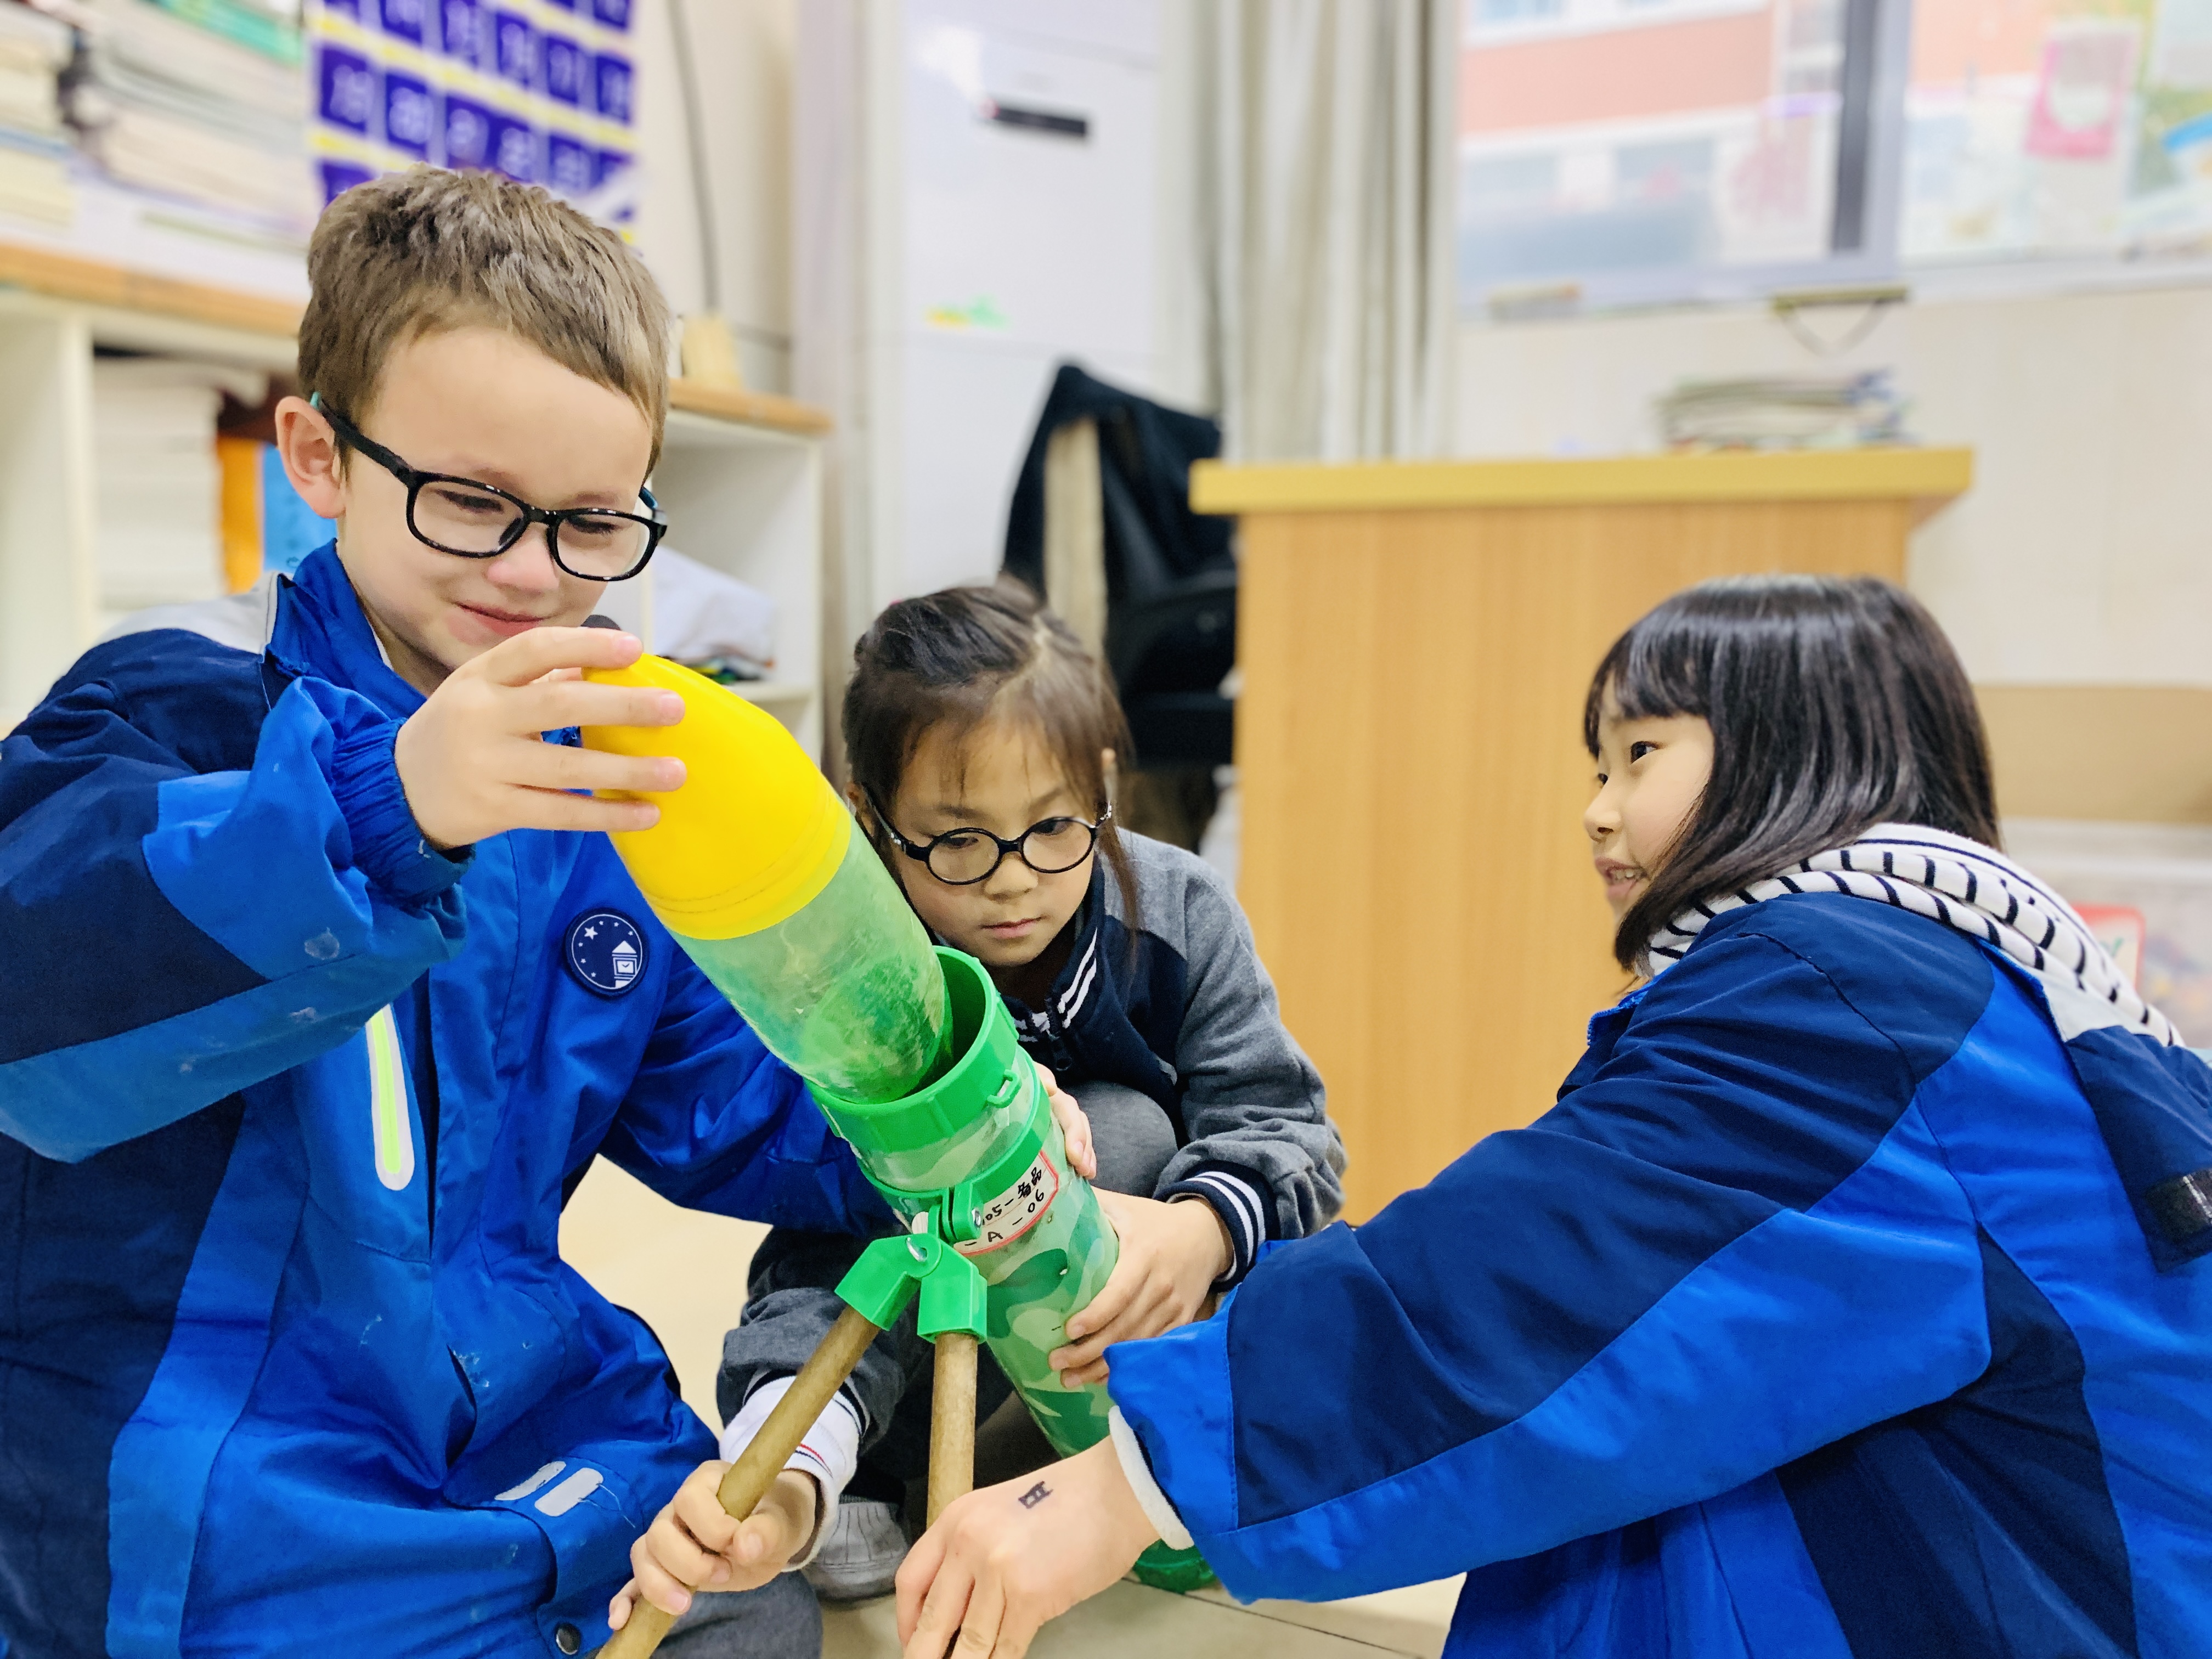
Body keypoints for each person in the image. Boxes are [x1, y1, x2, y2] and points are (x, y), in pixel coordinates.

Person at [890, 574, 2212, 1659]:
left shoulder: (1845, 998)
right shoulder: (1958, 981)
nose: (1596, 808)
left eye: (1640, 753)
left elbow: (1545, 1269)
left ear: (1797, 752)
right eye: (1600, 761)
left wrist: (1142, 1469)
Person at [0, 166, 889, 1658]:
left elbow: (730, 1094)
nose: (534, 573)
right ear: (320, 458)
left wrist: (950, 1117)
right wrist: (389, 806)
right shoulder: (166, 707)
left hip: (531, 1431)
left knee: (748, 1611)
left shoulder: (604, 777)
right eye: (472, 501)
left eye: (593, 522)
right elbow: (37, 1001)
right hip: (225, 1498)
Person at [610, 582, 1343, 1632]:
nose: (1012, 882)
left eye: (1052, 827)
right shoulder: (855, 951)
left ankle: (1163, 1445)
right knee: (856, 1207)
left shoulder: (1179, 910)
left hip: (1130, 1311)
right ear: (871, 821)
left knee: (1130, 1134)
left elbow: (1287, 1129)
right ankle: (825, 1464)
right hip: (913, 1295)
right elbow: (792, 1173)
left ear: (1101, 786)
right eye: (958, 842)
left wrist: (1200, 1230)